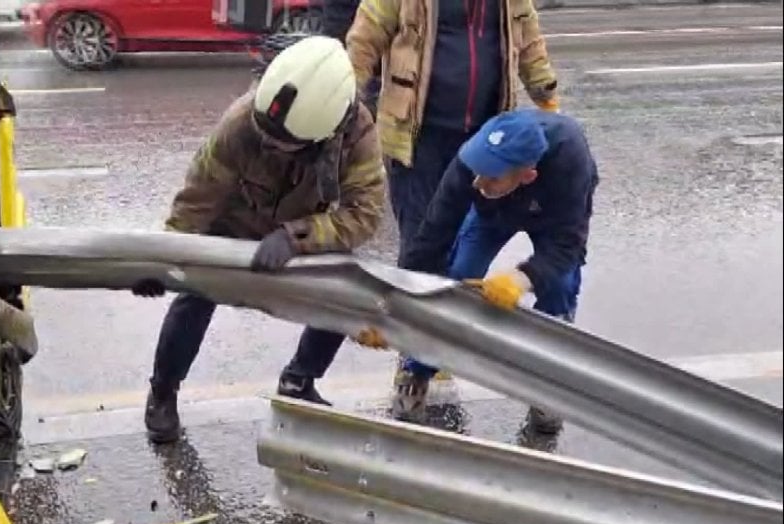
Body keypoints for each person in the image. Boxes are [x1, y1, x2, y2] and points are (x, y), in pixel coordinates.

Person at [134, 36, 386, 444]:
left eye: (282, 143)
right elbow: (196, 200)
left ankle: (299, 381)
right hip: (234, 224)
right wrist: (162, 262)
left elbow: (365, 213)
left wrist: (297, 237)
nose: (268, 145)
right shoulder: (241, 124)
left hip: (303, 232)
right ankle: (163, 390)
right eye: (266, 137)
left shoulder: (357, 135)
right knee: (193, 298)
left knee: (343, 293)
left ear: (322, 134)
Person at [344, 0, 561, 418]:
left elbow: (527, 37)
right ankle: (414, 354)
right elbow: (364, 39)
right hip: (419, 137)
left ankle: (439, 342)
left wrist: (546, 94)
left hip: (484, 138)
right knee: (424, 242)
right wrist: (349, 100)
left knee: (464, 246)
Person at [401, 108, 599, 430]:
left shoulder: (570, 164)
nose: (476, 181)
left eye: (491, 175)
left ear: (527, 175)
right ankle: (418, 368)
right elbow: (431, 237)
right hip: (493, 212)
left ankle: (547, 386)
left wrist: (522, 279)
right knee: (459, 273)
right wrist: (396, 304)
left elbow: (566, 246)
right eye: (477, 171)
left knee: (560, 288)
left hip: (552, 216)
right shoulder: (473, 164)